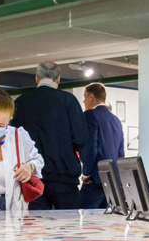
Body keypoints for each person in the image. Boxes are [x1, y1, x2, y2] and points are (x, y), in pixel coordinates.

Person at [10, 61, 91, 210]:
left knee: (37, 222)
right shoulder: (69, 101)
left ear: (36, 78)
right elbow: (81, 138)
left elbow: (13, 139)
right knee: (68, 222)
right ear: (58, 78)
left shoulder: (20, 102)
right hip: (64, 175)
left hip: (33, 177)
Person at [79, 82, 124, 209]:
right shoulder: (116, 120)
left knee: (82, 216)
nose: (84, 101)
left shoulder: (89, 115)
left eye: (85, 97)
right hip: (113, 181)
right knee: (106, 219)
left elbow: (90, 147)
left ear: (91, 96)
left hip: (95, 179)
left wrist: (86, 174)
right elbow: (120, 152)